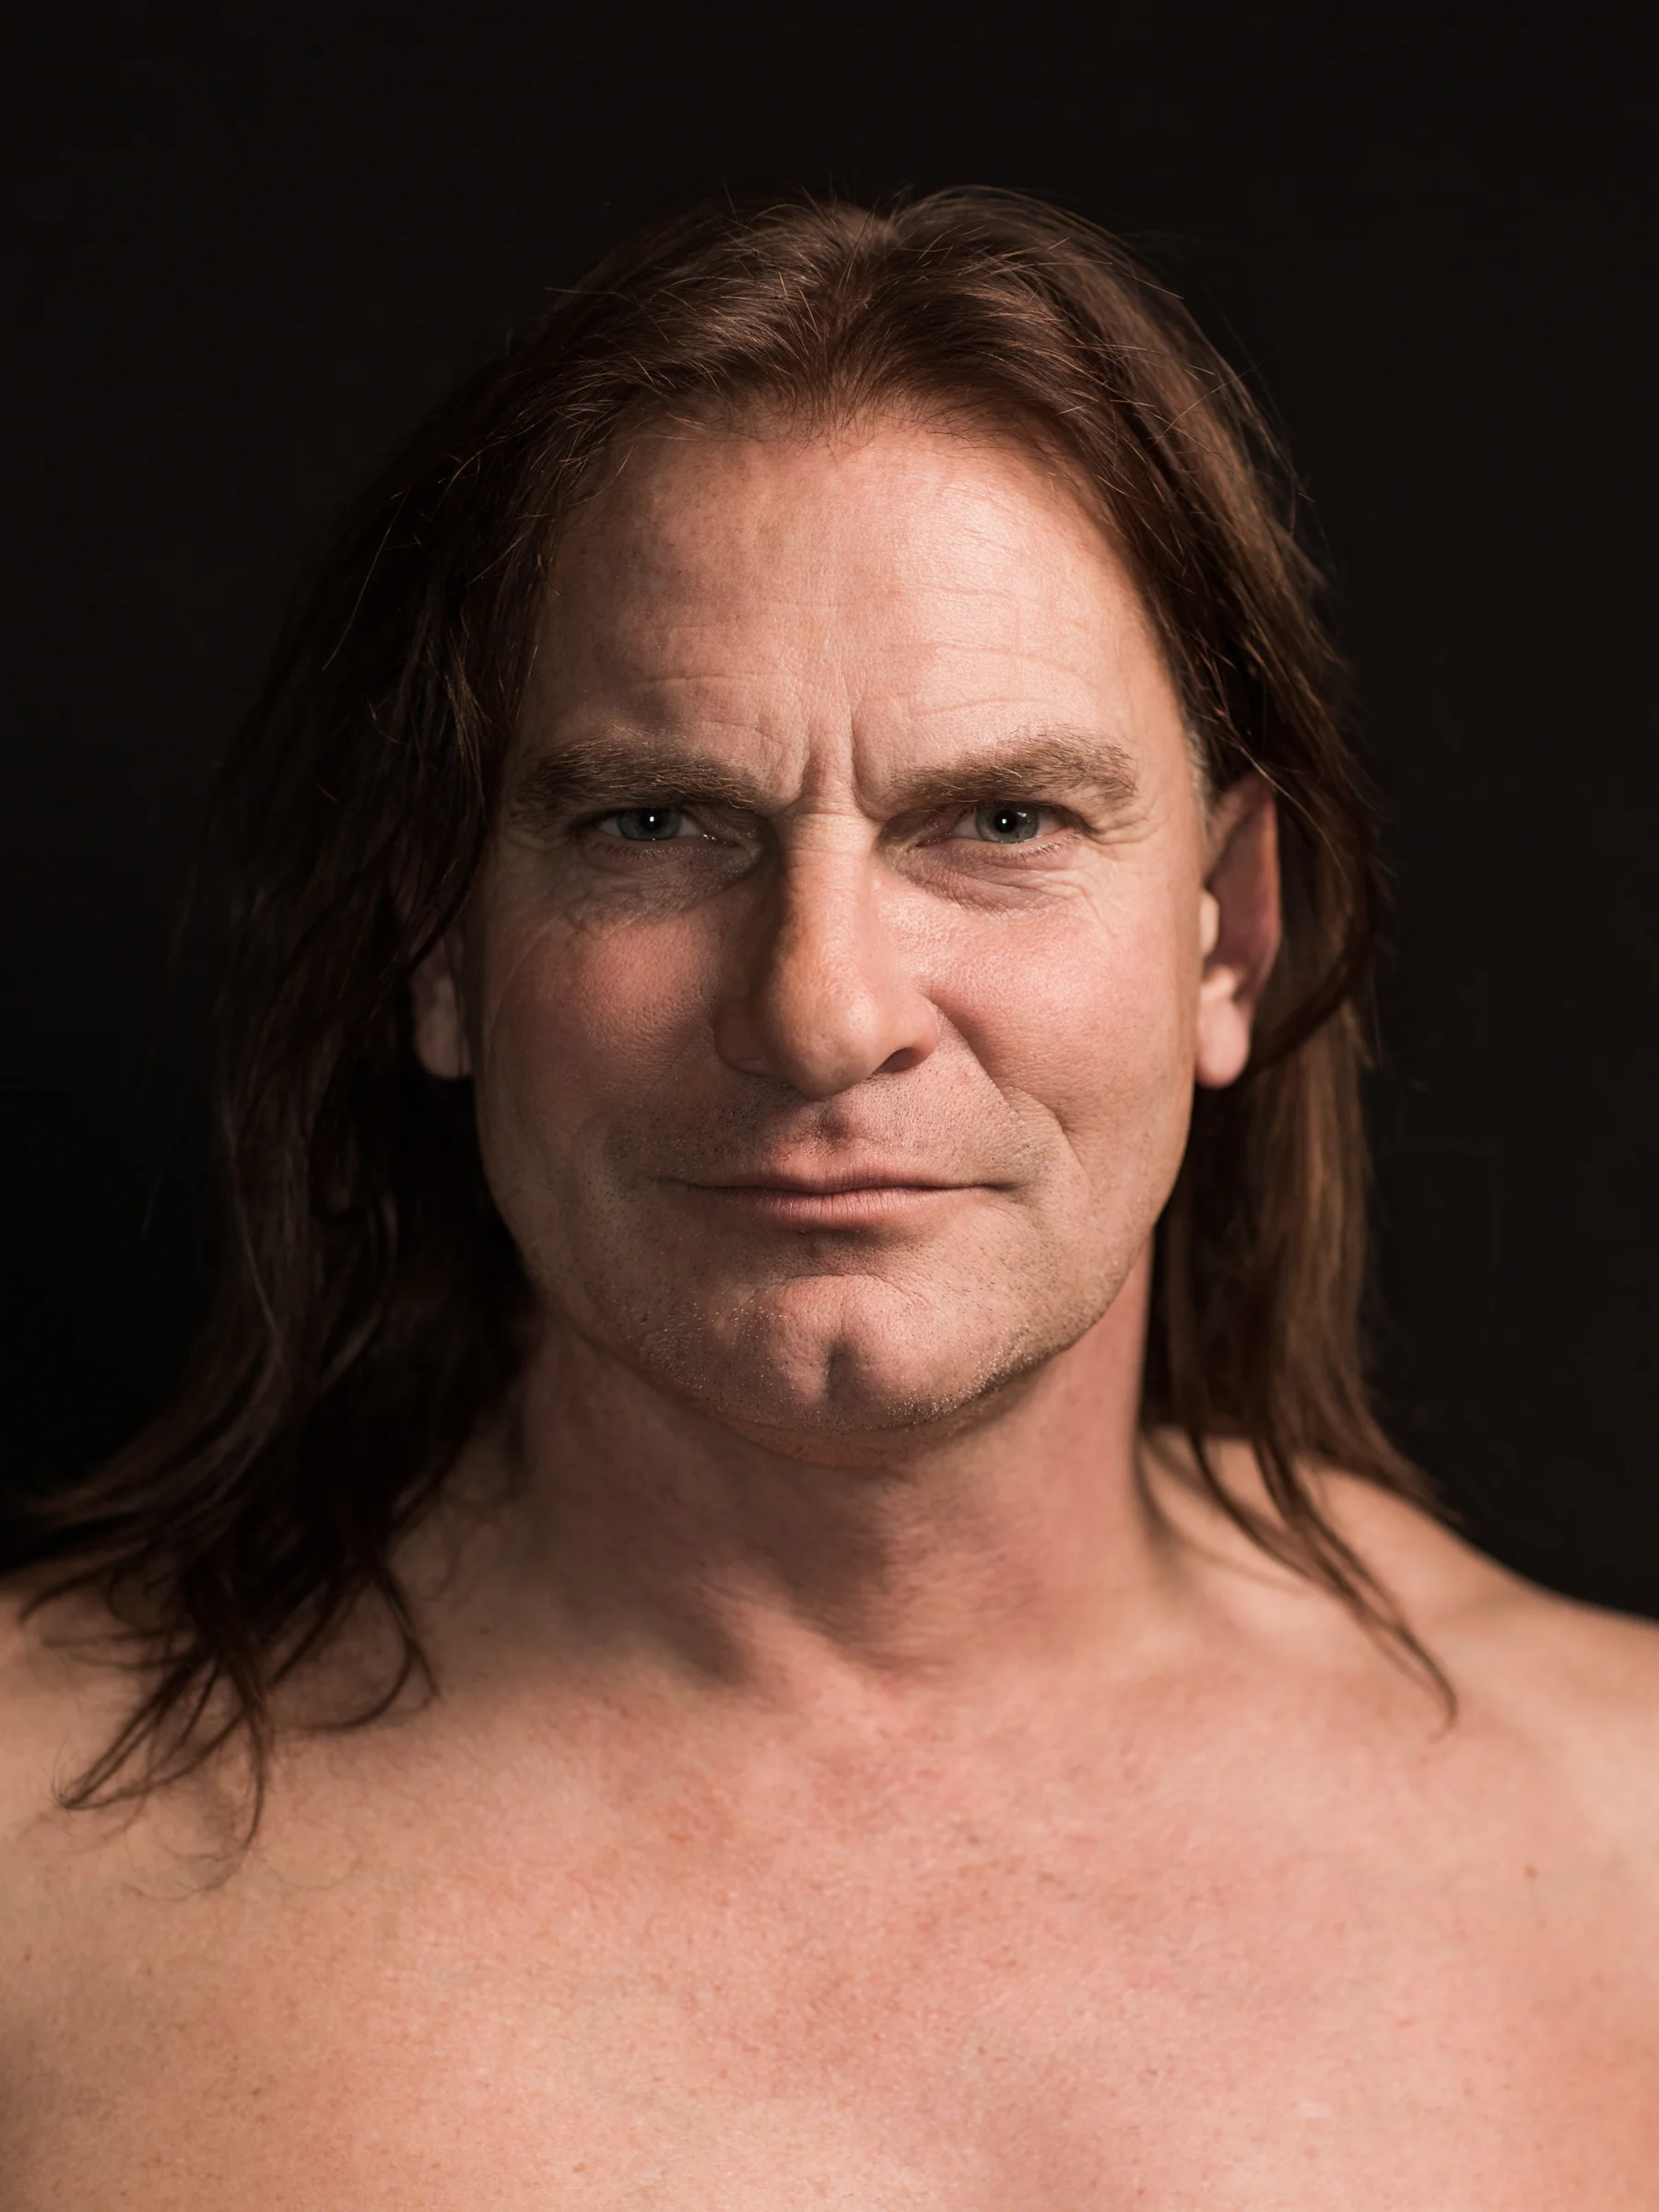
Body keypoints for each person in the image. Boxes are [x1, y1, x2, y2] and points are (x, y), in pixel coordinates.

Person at [2, 189, 1655, 2209]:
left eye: (1001, 819)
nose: (823, 1010)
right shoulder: (28, 1876)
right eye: (655, 822)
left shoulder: (1627, 1854)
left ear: (1228, 936)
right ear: (441, 940)